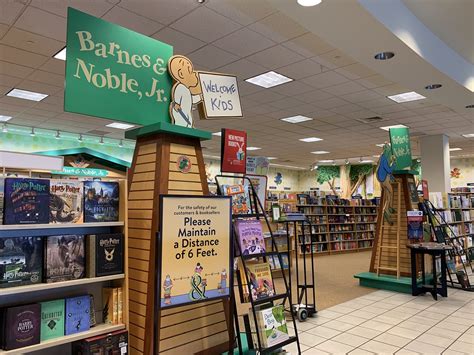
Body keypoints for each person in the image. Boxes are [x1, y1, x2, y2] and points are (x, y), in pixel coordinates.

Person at [168, 55, 202, 128]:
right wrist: (176, 104)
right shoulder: (180, 87)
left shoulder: (186, 90)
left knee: (187, 125)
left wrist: (200, 96)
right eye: (191, 72)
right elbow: (176, 102)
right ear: (181, 74)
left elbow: (191, 99)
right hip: (181, 117)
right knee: (181, 126)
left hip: (186, 117)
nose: (194, 74)